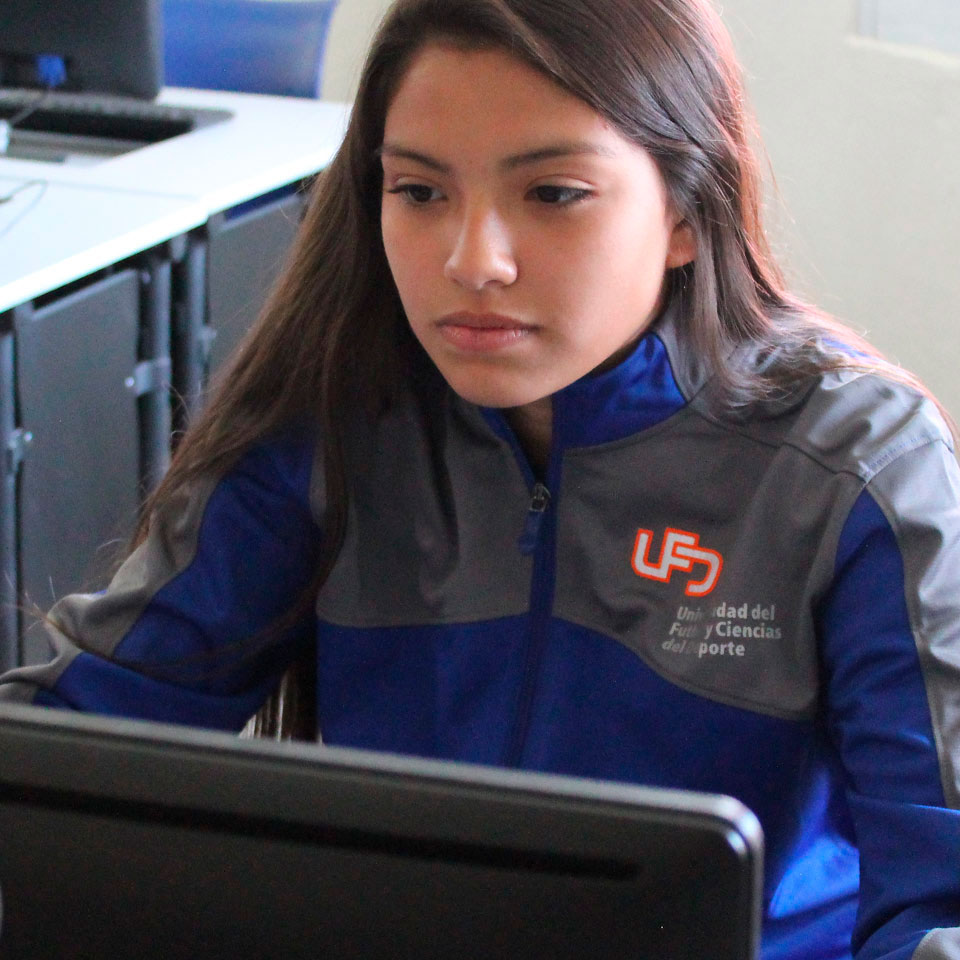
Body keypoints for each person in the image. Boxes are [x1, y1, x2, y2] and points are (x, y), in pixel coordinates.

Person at [2, 0, 958, 957]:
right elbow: (67, 746)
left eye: (553, 194)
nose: (473, 261)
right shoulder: (333, 421)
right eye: (420, 192)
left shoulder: (854, 463)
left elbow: (942, 897)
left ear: (685, 211)